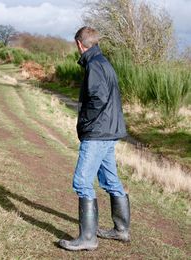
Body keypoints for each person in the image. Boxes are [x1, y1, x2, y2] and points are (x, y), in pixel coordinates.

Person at [59, 27, 131, 251]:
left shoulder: (94, 65)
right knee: (111, 181)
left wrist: (85, 125)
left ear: (80, 44)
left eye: (76, 46)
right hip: (108, 132)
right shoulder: (103, 62)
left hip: (98, 133)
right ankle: (121, 230)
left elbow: (97, 100)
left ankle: (88, 238)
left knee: (81, 182)